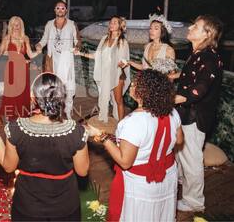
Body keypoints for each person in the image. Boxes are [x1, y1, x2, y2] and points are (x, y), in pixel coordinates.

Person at [0, 72, 89, 221]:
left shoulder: (16, 128)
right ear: (62, 97)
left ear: (32, 97)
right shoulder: (76, 131)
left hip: (28, 205)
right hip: (64, 206)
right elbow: (82, 171)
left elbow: (8, 167)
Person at [91, 69, 183, 221]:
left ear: (142, 93)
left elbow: (125, 162)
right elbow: (179, 140)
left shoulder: (133, 122)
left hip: (142, 184)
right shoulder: (172, 112)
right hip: (167, 176)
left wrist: (103, 137)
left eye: (135, 85)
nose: (131, 86)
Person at [172, 15, 223, 212]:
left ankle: (194, 201)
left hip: (195, 117)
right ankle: (181, 185)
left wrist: (166, 99)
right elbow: (192, 76)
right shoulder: (198, 53)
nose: (191, 27)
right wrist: (174, 75)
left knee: (192, 159)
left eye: (196, 26)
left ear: (206, 34)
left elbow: (199, 89)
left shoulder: (209, 57)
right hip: (185, 114)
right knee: (181, 154)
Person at [76, 16, 130, 122]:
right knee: (103, 98)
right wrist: (80, 53)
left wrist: (122, 63)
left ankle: (121, 124)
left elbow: (124, 60)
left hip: (117, 74)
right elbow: (97, 55)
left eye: (115, 23)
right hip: (105, 74)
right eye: (111, 22)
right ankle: (104, 119)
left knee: (118, 100)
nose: (111, 24)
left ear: (120, 26)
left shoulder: (122, 42)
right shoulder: (104, 39)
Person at [36, 1, 81, 119]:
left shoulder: (72, 24)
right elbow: (44, 39)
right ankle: (55, 113)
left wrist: (77, 47)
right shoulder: (49, 24)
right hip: (52, 61)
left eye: (63, 8)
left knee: (69, 88)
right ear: (55, 10)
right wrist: (39, 45)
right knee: (54, 88)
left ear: (66, 11)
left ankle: (68, 112)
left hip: (66, 61)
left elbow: (78, 40)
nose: (60, 10)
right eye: (58, 8)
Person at [0, 16, 40, 120]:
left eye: (18, 25)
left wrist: (38, 51)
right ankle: (11, 115)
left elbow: (30, 54)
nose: (16, 27)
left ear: (21, 26)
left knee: (22, 92)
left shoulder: (25, 38)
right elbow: (0, 53)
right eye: (14, 25)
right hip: (11, 68)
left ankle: (22, 113)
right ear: (11, 26)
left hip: (23, 69)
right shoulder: (7, 38)